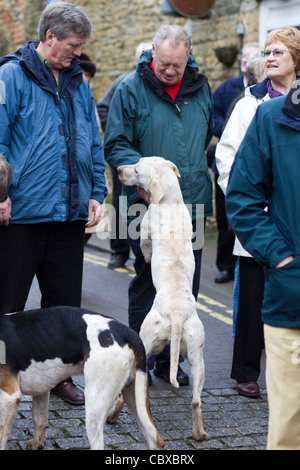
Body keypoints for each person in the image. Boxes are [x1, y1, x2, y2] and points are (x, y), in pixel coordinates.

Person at [0, 2, 107, 405]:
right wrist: (0, 195)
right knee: (7, 307)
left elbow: (92, 141)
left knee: (65, 309)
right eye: (73, 45)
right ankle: (0, 374)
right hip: (20, 216)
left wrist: (98, 190)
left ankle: (59, 377)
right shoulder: (10, 76)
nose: (78, 53)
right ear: (49, 38)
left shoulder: (79, 82)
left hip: (68, 214)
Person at [104, 24, 213, 385]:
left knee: (185, 283)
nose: (169, 70)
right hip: (141, 203)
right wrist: (147, 184)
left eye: (177, 66)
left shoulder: (201, 87)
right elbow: (116, 144)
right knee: (148, 280)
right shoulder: (129, 89)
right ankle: (140, 358)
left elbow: (204, 135)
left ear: (188, 58)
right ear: (152, 51)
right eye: (164, 62)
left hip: (191, 202)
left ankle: (171, 359)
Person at [216, 26, 300, 398]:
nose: (269, 58)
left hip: (290, 217)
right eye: (266, 52)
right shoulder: (250, 104)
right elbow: (227, 158)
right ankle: (246, 371)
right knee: (251, 300)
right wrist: (257, 204)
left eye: (278, 52)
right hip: (262, 222)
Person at [226, 76, 300, 450]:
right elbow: (241, 197)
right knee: (290, 429)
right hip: (293, 297)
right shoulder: (271, 117)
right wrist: (281, 256)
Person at [97, 42, 152, 269]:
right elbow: (102, 108)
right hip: (124, 156)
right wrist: (117, 132)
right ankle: (118, 252)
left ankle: (145, 249)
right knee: (121, 204)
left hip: (150, 158)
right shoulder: (123, 82)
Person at [211, 43, 261, 284]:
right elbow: (214, 114)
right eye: (243, 58)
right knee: (225, 222)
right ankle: (225, 266)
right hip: (230, 164)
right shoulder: (230, 89)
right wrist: (225, 129)